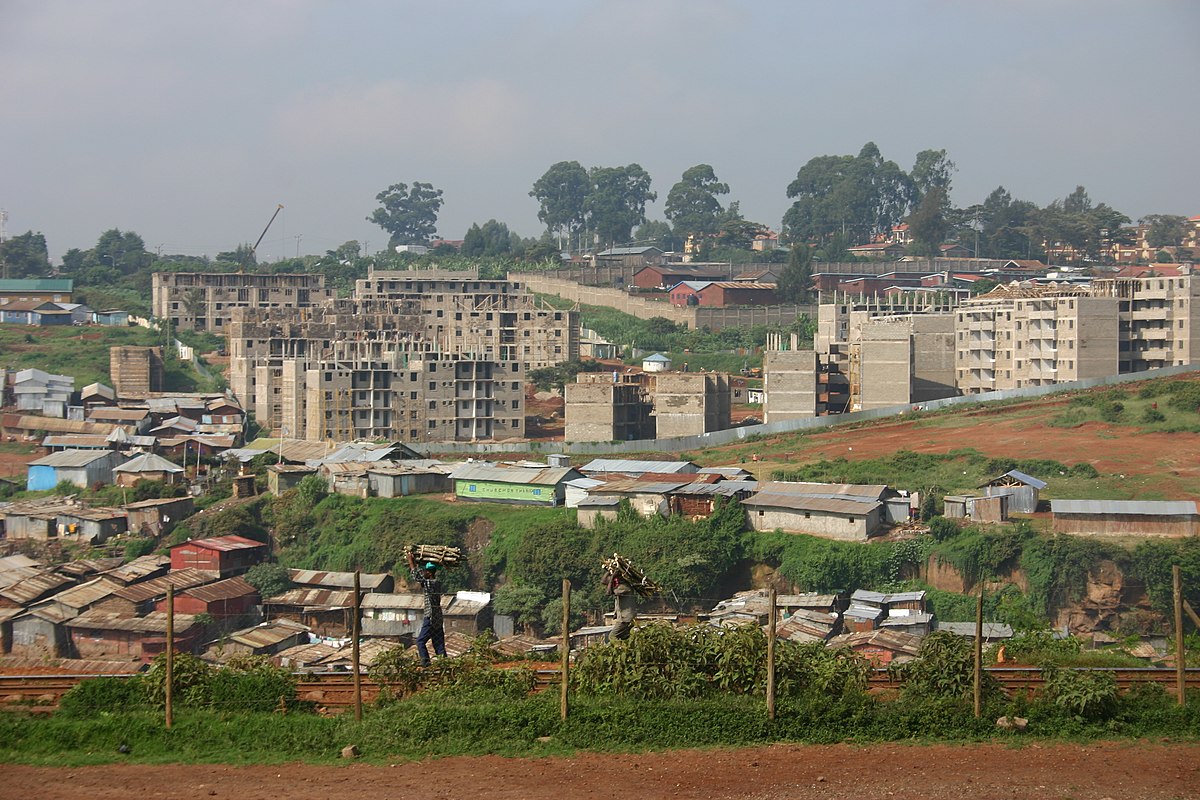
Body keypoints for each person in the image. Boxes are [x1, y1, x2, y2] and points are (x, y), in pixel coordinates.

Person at [407, 550, 446, 666]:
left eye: (425, 571)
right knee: (438, 644)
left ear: (429, 573)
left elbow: (417, 577)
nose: (423, 573)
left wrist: (411, 562)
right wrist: (416, 564)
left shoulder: (431, 583)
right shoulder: (436, 583)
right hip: (438, 619)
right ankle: (444, 665)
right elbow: (420, 578)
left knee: (420, 641)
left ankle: (426, 663)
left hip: (431, 617)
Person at [603, 568, 636, 641]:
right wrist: (609, 571)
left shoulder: (624, 587)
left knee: (612, 636)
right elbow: (603, 581)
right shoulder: (620, 587)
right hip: (623, 618)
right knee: (623, 637)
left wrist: (612, 577)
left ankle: (620, 648)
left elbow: (608, 592)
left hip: (625, 619)